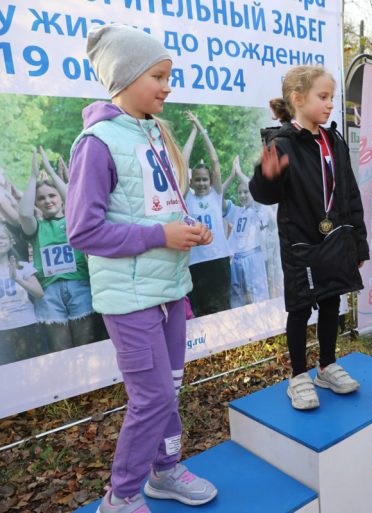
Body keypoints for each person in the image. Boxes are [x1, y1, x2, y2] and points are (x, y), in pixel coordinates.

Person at [66, 24, 217, 513]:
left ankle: (165, 471)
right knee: (151, 399)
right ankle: (122, 497)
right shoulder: (97, 143)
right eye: (158, 75)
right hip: (129, 300)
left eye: (168, 74)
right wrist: (161, 236)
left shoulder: (154, 131)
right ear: (124, 78)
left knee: (168, 391)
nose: (168, 85)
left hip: (170, 288)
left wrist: (188, 228)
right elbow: (83, 232)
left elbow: (155, 210)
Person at [250, 65, 369, 410]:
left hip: (336, 239)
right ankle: (298, 375)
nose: (330, 104)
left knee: (332, 300)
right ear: (298, 99)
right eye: (323, 97)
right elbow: (264, 194)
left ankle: (326, 366)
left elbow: (350, 196)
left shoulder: (334, 140)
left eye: (331, 97)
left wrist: (357, 241)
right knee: (301, 308)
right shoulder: (282, 142)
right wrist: (266, 177)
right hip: (300, 243)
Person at [18, 149, 98, 351]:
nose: (48, 201)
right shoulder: (36, 227)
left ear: (61, 198)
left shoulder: (74, 221)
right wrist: (33, 177)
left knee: (85, 345)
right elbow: (24, 214)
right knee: (61, 350)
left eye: (52, 195)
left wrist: (51, 173)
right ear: (37, 203)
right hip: (49, 294)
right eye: (41, 198)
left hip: (79, 286)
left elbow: (75, 199)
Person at [183, 111, 233, 317]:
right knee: (202, 313)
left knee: (222, 311)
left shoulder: (215, 195)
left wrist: (202, 129)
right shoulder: (187, 199)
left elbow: (214, 160)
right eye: (198, 180)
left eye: (205, 179)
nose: (202, 183)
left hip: (219, 259)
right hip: (196, 263)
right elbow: (183, 160)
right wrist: (193, 132)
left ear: (210, 181)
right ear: (191, 182)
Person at [225, 156, 271, 307]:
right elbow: (218, 201)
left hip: (253, 256)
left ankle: (265, 323)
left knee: (258, 293)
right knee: (236, 294)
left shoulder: (258, 208)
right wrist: (231, 177)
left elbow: (256, 192)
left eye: (246, 192)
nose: (243, 195)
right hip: (237, 259)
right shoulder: (237, 211)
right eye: (240, 193)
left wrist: (240, 173)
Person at [0, 222, 45, 364]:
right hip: (3, 330)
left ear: (11, 241)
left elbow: (39, 293)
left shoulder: (23, 266)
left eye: (2, 237)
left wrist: (18, 279)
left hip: (27, 323)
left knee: (33, 367)